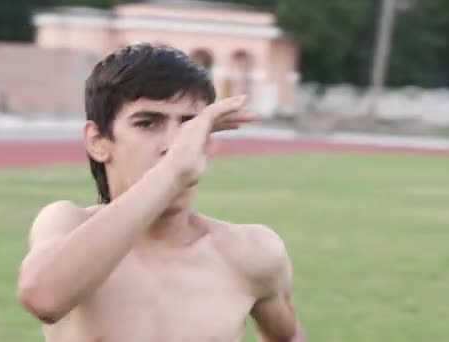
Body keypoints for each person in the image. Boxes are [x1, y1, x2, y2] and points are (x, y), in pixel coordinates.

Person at [16, 43, 305, 342]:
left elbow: (288, 336)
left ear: (207, 142)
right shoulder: (67, 224)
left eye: (190, 126)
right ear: (98, 140)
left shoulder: (251, 252)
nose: (174, 144)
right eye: (147, 123)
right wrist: (173, 171)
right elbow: (43, 298)